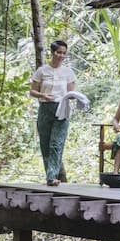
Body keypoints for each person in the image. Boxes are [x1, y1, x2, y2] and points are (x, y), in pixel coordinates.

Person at [30, 40, 76, 186]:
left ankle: (52, 177)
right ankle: (49, 175)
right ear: (52, 52)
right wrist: (43, 95)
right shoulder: (42, 71)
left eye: (64, 53)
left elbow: (71, 92)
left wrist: (76, 98)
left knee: (57, 143)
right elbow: (32, 91)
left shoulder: (68, 72)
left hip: (62, 108)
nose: (61, 55)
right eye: (58, 52)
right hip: (45, 108)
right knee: (45, 143)